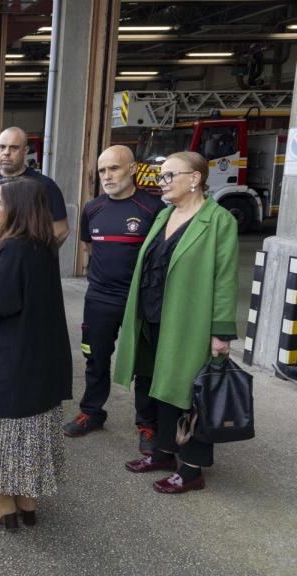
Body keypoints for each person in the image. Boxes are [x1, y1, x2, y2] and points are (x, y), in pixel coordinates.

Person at [114, 151, 238, 495]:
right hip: (154, 318)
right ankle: (165, 453)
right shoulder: (165, 214)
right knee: (159, 387)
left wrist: (221, 332)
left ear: (195, 178)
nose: (161, 182)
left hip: (188, 322)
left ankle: (193, 469)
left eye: (169, 176)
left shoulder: (219, 220)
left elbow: (225, 278)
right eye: (160, 176)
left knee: (190, 395)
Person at [0, 177, 72, 531]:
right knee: (31, 429)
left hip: (13, 359)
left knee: (3, 428)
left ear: (18, 208)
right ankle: (26, 502)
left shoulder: (13, 249)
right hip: (39, 359)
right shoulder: (42, 245)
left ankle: (0, 505)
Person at [62, 146, 165, 452]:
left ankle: (147, 423)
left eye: (114, 169)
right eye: (103, 170)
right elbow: (90, 249)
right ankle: (92, 412)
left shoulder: (153, 209)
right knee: (95, 357)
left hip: (140, 300)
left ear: (132, 169)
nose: (107, 176)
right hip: (100, 298)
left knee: (144, 364)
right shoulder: (93, 208)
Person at [0, 126, 69, 416]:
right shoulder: (28, 244)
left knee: (11, 350)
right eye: (1, 146)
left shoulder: (19, 246)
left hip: (14, 398)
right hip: (0, 273)